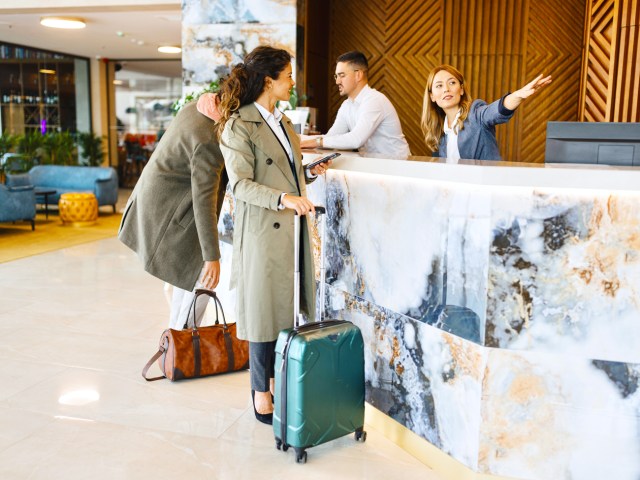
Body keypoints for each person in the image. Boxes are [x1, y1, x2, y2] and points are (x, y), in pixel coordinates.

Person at [217, 45, 329, 425]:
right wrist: (284, 198)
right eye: (288, 76)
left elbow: (287, 171)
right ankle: (260, 391)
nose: (293, 82)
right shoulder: (238, 124)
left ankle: (275, 381)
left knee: (284, 313)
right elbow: (241, 185)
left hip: (289, 229)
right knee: (264, 315)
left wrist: (310, 175)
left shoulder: (282, 123)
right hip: (265, 230)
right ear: (269, 80)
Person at [118, 98, 228, 329]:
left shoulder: (198, 106)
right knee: (203, 278)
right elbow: (204, 199)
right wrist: (211, 257)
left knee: (189, 280)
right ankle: (182, 349)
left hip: (159, 202)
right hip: (169, 211)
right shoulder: (209, 138)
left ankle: (177, 345)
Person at [421, 64, 552, 161]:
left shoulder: (475, 113)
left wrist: (518, 95)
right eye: (439, 85)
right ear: (432, 96)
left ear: (461, 90)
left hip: (483, 191)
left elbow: (495, 111)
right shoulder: (439, 131)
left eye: (452, 83)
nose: (446, 89)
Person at [299, 51, 411, 158]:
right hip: (375, 166)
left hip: (398, 166)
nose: (337, 81)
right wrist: (301, 139)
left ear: (358, 75)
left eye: (342, 75)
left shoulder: (374, 100)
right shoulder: (346, 105)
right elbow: (331, 138)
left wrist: (314, 141)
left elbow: (356, 139)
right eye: (336, 76)